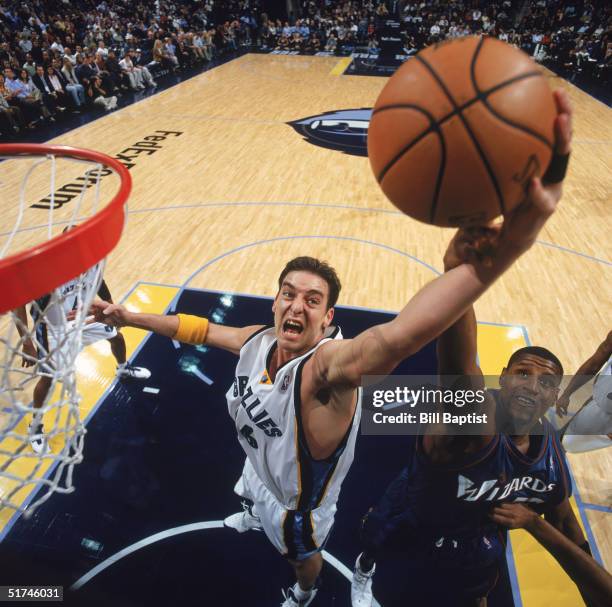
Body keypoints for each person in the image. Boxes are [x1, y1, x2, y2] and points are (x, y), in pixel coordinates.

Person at [90, 85, 568, 605]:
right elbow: (197, 328)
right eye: (288, 294)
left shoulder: (330, 369)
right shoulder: (258, 339)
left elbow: (400, 334)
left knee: (303, 556)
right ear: (274, 302)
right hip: (259, 467)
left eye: (312, 300)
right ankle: (252, 511)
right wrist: (127, 316)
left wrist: (486, 260)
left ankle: (303, 592)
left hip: (299, 507)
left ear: (328, 317)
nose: (296, 306)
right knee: (252, 479)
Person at [350, 92, 594, 607]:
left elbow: (568, 527)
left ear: (556, 396)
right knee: (374, 542)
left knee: (477, 587)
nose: (532, 385)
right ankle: (364, 571)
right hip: (416, 512)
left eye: (546, 381)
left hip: (472, 543)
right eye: (522, 373)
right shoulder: (474, 421)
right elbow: (459, 368)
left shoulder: (549, 457)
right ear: (501, 380)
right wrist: (462, 277)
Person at [15, 270, 151, 455]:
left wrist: (111, 305)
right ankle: (35, 426)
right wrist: (27, 342)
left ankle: (122, 369)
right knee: (48, 378)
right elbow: (18, 304)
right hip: (53, 329)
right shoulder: (43, 274)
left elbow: (99, 281)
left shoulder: (90, 261)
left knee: (116, 337)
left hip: (84, 316)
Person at [556, 331, 612, 453]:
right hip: (598, 401)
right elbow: (594, 365)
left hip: (603, 411)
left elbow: (594, 365)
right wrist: (566, 394)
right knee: (560, 442)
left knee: (560, 444)